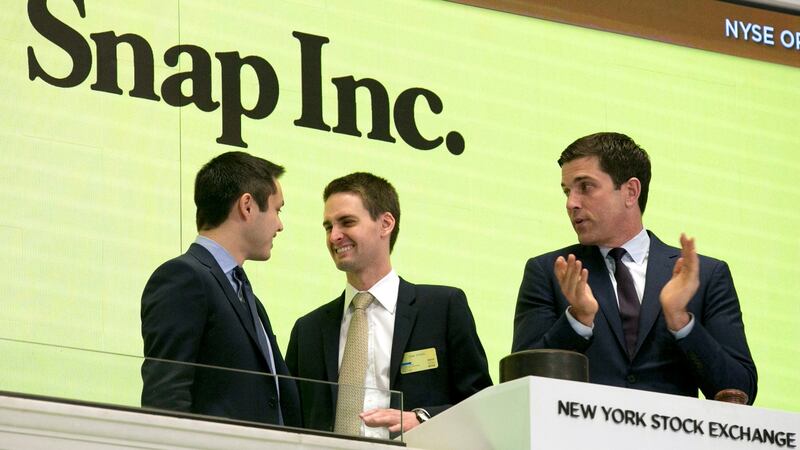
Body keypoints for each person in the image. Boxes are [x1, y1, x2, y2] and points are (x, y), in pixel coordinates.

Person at [512, 132, 757, 403]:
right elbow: (519, 385)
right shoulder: (549, 272)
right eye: (567, 191)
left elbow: (740, 389)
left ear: (630, 192)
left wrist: (681, 321)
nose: (571, 203)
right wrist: (577, 320)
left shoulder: (706, 275)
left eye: (586, 187)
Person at [286, 172, 492, 438]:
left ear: (385, 224)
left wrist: (422, 419)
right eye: (328, 227)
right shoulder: (308, 330)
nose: (334, 236)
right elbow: (289, 418)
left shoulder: (442, 309)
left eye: (347, 222)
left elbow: (483, 404)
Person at [140, 151, 300, 426]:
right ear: (247, 206)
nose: (280, 225)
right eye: (277, 209)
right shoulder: (183, 278)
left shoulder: (248, 297)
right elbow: (166, 398)